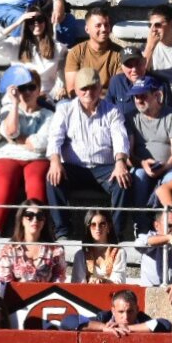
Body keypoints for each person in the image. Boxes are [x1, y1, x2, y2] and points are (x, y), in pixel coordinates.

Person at [44, 68, 131, 241]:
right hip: (75, 168)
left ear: (100, 88)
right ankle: (62, 232)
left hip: (105, 168)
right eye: (83, 88)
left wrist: (120, 162)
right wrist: (55, 161)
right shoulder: (65, 110)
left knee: (123, 181)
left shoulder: (112, 111)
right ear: (76, 90)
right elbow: (54, 138)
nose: (88, 92)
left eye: (92, 87)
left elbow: (120, 138)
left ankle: (115, 234)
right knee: (52, 179)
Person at [0, 70, 52, 241]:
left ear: (39, 89)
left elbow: (40, 144)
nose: (28, 92)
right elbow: (11, 131)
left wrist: (18, 139)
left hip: (37, 158)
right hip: (7, 156)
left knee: (36, 179)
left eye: (31, 87)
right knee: (6, 179)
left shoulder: (49, 115)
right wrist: (14, 104)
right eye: (23, 88)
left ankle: (36, 231)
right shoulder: (8, 110)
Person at [127, 74, 172, 233]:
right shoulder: (131, 118)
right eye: (136, 96)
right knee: (139, 176)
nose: (138, 100)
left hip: (170, 166)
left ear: (157, 95)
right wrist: (142, 163)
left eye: (143, 95)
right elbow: (129, 154)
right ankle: (141, 226)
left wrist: (164, 167)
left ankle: (169, 227)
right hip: (142, 166)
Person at [0, 3, 65, 101]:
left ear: (46, 22)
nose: (36, 23)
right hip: (19, 96)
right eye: (31, 21)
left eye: (40, 20)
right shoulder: (16, 44)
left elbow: (61, 77)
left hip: (46, 96)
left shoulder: (58, 48)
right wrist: (18, 22)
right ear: (26, 24)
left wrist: (55, 92)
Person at [0, 199, 65, 282]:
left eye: (40, 216)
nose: (35, 220)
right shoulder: (9, 250)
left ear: (44, 221)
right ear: (21, 219)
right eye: (29, 215)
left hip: (48, 294)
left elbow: (59, 281)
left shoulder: (56, 250)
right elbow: (4, 282)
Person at [135, 207, 172, 299]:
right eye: (170, 226)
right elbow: (139, 244)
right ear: (156, 226)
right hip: (149, 292)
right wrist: (169, 238)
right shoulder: (151, 236)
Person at [60, 288, 172, 333]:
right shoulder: (104, 318)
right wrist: (103, 328)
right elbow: (68, 321)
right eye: (121, 312)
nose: (126, 317)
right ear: (113, 311)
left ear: (137, 310)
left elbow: (166, 325)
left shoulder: (143, 319)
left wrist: (127, 328)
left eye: (130, 311)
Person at [107, 46, 172, 120]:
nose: (134, 69)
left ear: (145, 62)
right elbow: (107, 111)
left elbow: (170, 115)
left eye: (138, 63)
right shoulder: (116, 82)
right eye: (129, 65)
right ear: (122, 66)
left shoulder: (161, 83)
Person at [64, 7, 122, 88]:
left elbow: (119, 89)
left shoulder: (120, 54)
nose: (103, 29)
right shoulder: (76, 53)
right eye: (98, 25)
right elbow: (72, 89)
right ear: (87, 29)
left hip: (109, 100)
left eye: (106, 25)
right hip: (83, 98)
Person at [71, 209, 125, 284]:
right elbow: (77, 284)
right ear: (88, 228)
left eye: (102, 224)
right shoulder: (80, 255)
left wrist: (103, 281)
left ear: (109, 227)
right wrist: (90, 281)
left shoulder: (119, 252)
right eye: (93, 225)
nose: (97, 228)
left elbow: (119, 281)